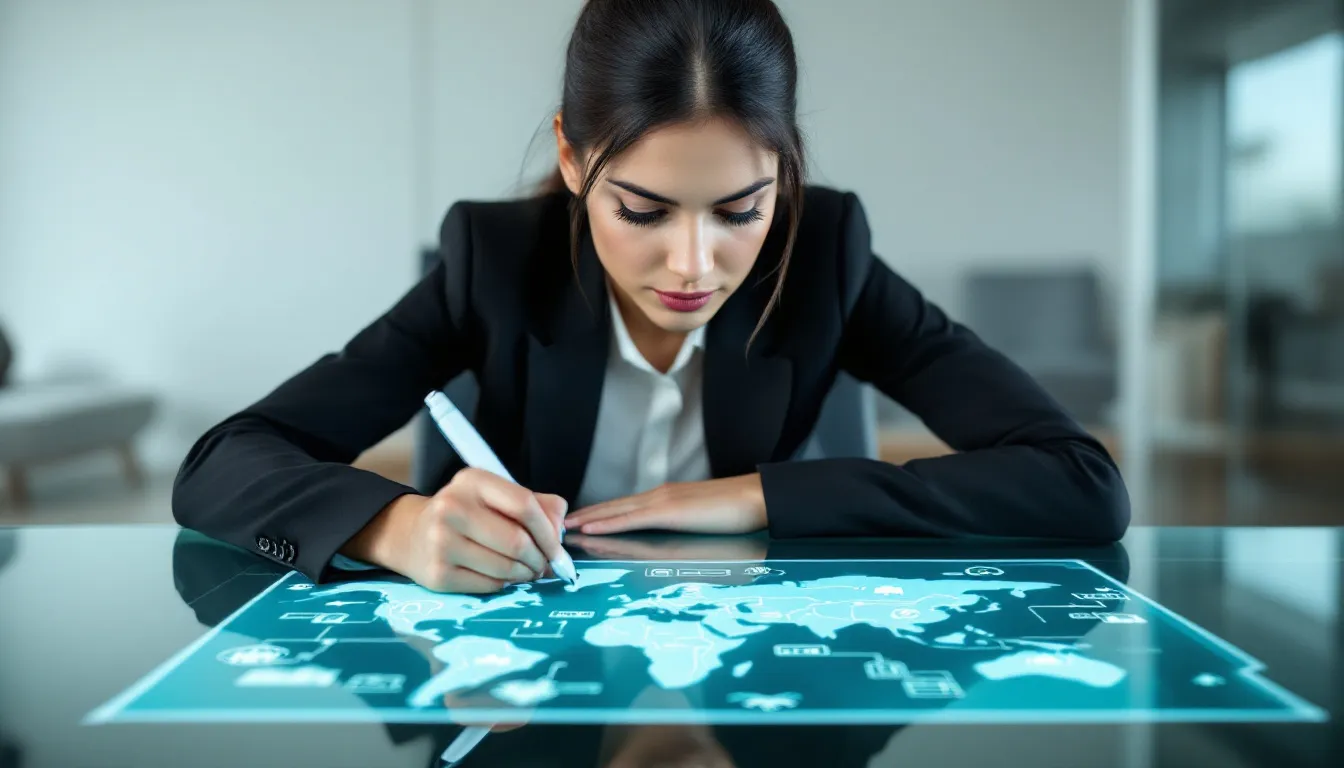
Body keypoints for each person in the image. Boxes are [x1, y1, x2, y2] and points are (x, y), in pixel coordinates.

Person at [172, 0, 1129, 596]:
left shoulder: (826, 250)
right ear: (571, 157)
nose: (693, 265)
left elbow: (1079, 483)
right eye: (642, 209)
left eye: (741, 209)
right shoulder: (494, 262)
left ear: (784, 175)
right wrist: (400, 526)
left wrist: (757, 499)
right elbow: (220, 466)